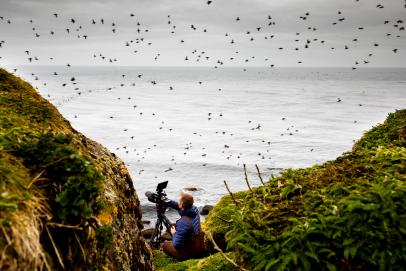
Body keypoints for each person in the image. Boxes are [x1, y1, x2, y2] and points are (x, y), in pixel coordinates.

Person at [162, 192, 205, 260]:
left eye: (179, 201)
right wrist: (168, 201)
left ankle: (184, 257)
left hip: (190, 254)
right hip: (199, 247)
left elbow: (177, 245)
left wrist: (174, 233)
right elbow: (180, 207)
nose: (178, 202)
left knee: (165, 245)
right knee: (177, 233)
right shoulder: (195, 210)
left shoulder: (183, 223)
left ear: (182, 205)